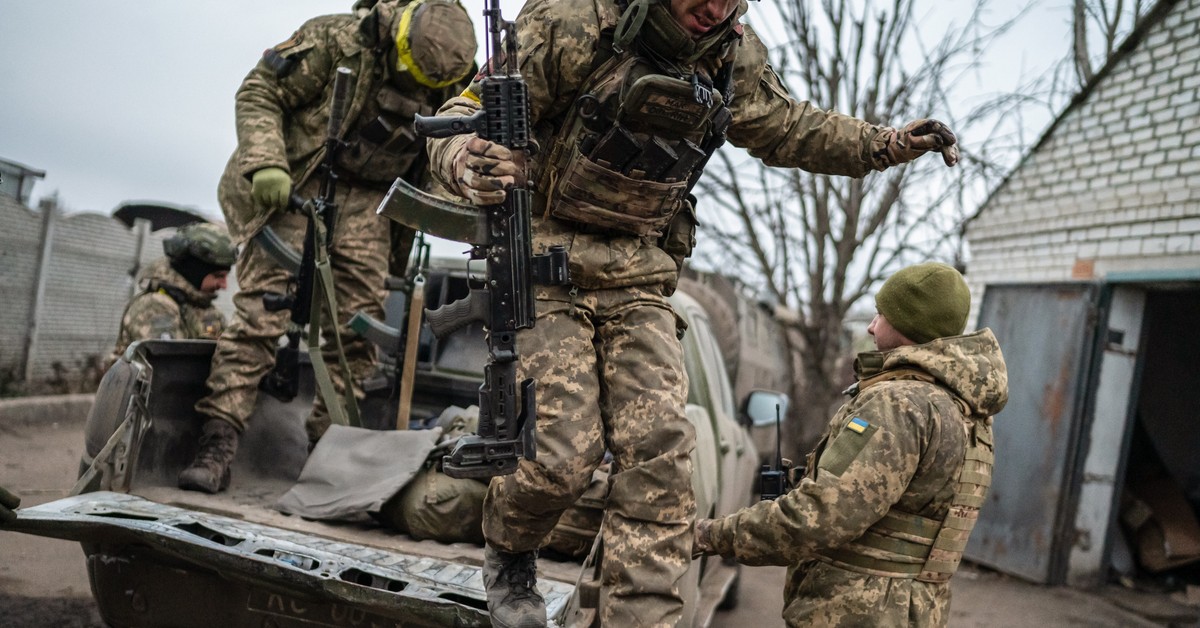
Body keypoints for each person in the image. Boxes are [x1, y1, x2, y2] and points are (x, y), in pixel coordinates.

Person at [422, 0, 963, 625]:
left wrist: (886, 144)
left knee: (660, 460)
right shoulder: (573, 20)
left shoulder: (732, 56)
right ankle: (511, 554)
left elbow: (791, 127)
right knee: (561, 457)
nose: (712, 11)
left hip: (642, 278)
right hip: (546, 265)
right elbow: (462, 115)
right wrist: (469, 160)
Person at [179, 0, 477, 494]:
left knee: (359, 329)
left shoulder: (453, 77)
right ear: (398, 42)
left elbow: (445, 151)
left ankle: (329, 452)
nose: (423, 91)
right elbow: (260, 89)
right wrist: (265, 162)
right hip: (302, 176)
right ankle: (218, 443)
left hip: (372, 200)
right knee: (261, 316)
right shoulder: (336, 38)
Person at [692, 262, 1008, 627]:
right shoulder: (964, 409)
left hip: (856, 611)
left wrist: (710, 534)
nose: (872, 327)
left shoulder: (899, 403)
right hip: (912, 609)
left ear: (910, 324)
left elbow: (821, 515)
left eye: (881, 314)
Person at [110, 222, 235, 362]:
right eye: (218, 276)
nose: (224, 285)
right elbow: (166, 371)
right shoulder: (155, 306)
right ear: (195, 272)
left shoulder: (208, 311)